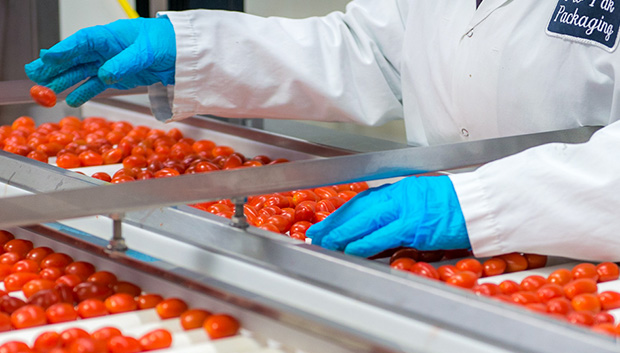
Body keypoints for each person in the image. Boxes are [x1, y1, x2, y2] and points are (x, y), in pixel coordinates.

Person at [25, 1, 620, 261]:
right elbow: (370, 49)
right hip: (432, 258)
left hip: (591, 261)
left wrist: (484, 206)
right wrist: (192, 50)